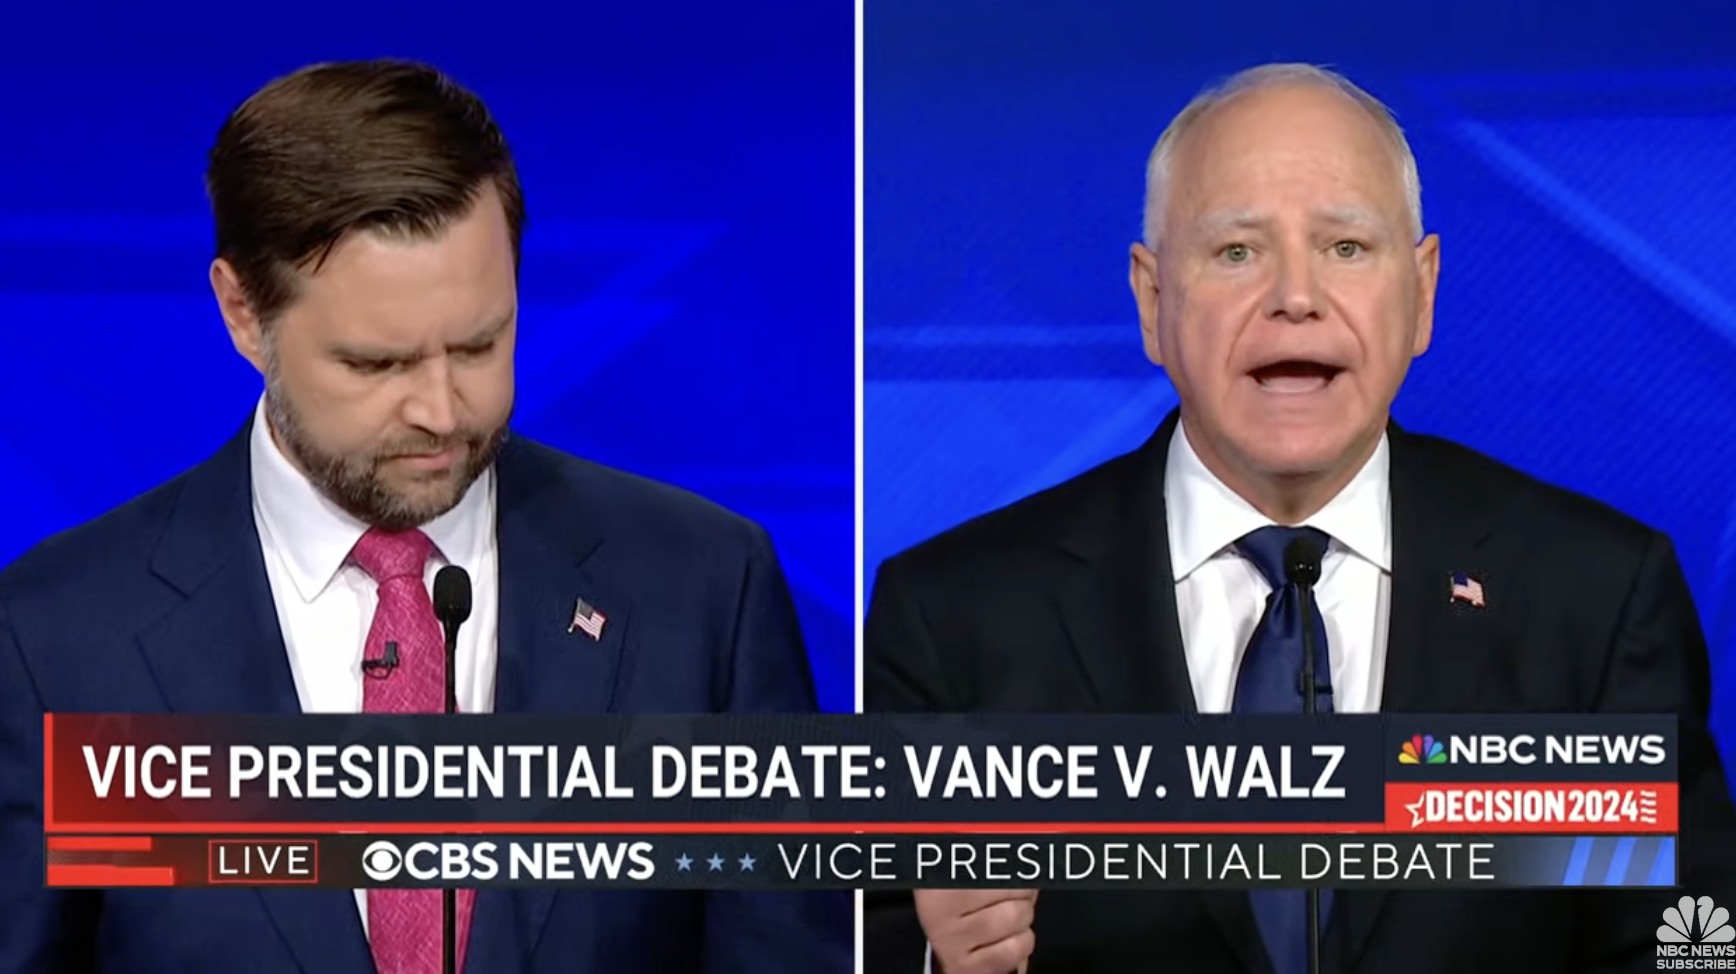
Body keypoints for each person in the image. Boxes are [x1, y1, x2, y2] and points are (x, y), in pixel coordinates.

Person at [863, 62, 1736, 974]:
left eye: (1346, 248)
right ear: (1152, 302)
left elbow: (1692, 945)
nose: (1296, 295)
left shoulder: (1593, 596)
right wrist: (939, 964)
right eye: (1237, 251)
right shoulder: (952, 613)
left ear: (1423, 291)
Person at [0, 59, 850, 974]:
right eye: (378, 364)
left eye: (482, 344)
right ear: (244, 313)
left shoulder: (705, 588)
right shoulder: (56, 640)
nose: (444, 411)